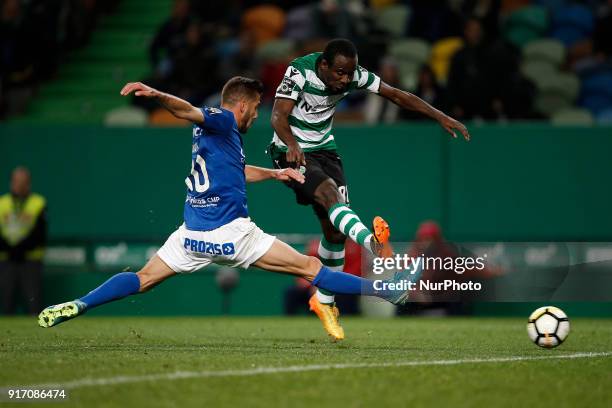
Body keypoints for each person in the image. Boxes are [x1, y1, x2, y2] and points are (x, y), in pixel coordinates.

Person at [37, 77, 412, 333]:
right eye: (256, 108)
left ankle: (79, 304)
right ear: (244, 104)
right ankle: (387, 289)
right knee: (312, 266)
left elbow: (235, 170)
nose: (255, 115)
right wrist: (156, 94)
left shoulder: (211, 136)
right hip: (231, 234)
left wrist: (275, 174)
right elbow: (187, 110)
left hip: (191, 235)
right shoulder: (222, 119)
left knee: (142, 279)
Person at [269, 38, 470, 340]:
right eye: (339, 72)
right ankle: (377, 248)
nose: (345, 79)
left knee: (334, 232)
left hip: (325, 150)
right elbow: (277, 117)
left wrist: (439, 115)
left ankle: (324, 303)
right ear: (323, 65)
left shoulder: (355, 74)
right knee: (330, 196)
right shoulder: (299, 72)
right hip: (291, 149)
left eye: (349, 74)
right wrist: (294, 145)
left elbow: (397, 95)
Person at [0, 167, 47, 314]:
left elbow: (40, 233)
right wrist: (9, 248)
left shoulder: (38, 202)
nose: (19, 185)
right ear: (11, 183)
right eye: (16, 181)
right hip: (6, 259)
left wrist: (21, 248)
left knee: (33, 301)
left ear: (29, 183)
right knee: (7, 301)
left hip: (31, 260)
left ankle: (37, 332)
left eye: (23, 182)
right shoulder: (2, 203)